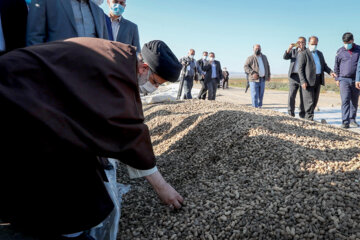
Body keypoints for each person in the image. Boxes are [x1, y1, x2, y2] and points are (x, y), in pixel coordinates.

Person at [0, 38, 183, 239]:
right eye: (155, 82)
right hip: (14, 92)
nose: (153, 89)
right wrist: (162, 187)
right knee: (59, 171)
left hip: (29, 91)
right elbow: (129, 133)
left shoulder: (120, 56)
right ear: (144, 68)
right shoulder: (115, 70)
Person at [26, 0, 108, 46]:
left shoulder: (99, 12)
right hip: (55, 72)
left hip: (93, 73)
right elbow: (34, 39)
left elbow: (105, 47)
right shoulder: (46, 2)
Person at [298, 36, 337, 121]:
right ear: (308, 43)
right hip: (308, 81)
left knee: (315, 101)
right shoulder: (304, 54)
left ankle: (307, 117)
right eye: (312, 44)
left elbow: (324, 66)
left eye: (316, 44)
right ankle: (309, 119)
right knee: (309, 101)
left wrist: (330, 72)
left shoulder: (320, 53)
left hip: (318, 80)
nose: (314, 46)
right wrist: (303, 81)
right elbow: (300, 69)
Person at [334, 32, 360, 128]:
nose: (346, 44)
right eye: (344, 42)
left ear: (352, 41)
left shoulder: (359, 50)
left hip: (356, 80)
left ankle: (352, 119)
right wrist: (337, 78)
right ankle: (345, 121)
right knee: (345, 100)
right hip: (343, 79)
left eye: (347, 42)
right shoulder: (340, 51)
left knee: (354, 101)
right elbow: (336, 66)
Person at [283, 37, 306, 118]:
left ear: (305, 43)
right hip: (293, 76)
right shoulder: (294, 51)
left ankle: (302, 114)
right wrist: (289, 48)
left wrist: (303, 50)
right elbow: (285, 57)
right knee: (291, 95)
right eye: (298, 42)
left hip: (303, 77)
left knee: (303, 96)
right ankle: (290, 113)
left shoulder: (307, 52)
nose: (300, 43)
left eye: (302, 42)